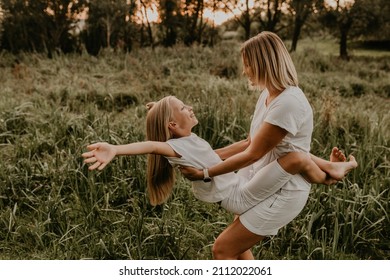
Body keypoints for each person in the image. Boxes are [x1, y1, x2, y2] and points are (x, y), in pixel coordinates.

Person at [82, 96, 357, 255]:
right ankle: (328, 175)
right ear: (173, 125)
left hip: (240, 186)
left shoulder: (189, 142)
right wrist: (116, 149)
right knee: (294, 158)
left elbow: (232, 151)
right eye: (183, 108)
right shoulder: (174, 147)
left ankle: (328, 167)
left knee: (273, 148)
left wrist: (253, 140)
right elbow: (150, 146)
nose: (190, 107)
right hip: (238, 195)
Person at [178, 31, 358, 260]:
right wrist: (205, 156)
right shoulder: (267, 94)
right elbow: (250, 142)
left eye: (248, 65)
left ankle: (332, 171)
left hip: (283, 190)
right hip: (263, 179)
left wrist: (204, 172)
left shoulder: (288, 103)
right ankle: (332, 170)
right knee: (238, 249)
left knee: (223, 249)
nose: (244, 71)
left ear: (263, 63)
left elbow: (252, 154)